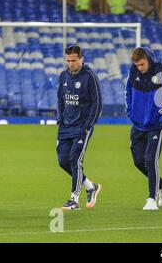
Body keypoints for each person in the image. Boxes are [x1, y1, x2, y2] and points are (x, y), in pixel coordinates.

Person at [126, 47, 162, 210]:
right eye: (137, 65)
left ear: (148, 59)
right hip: (137, 124)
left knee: (150, 160)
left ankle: (152, 199)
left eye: (142, 64)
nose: (140, 68)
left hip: (155, 125)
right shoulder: (133, 72)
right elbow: (128, 93)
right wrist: (130, 112)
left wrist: (158, 115)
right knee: (138, 162)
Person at [57, 45, 102, 211]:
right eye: (68, 60)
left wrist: (88, 125)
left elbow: (97, 103)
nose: (70, 64)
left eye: (73, 60)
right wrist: (60, 118)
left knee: (75, 160)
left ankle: (74, 199)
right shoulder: (63, 76)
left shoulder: (89, 76)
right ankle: (91, 187)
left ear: (81, 59)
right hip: (65, 126)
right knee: (63, 161)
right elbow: (61, 99)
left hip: (82, 127)